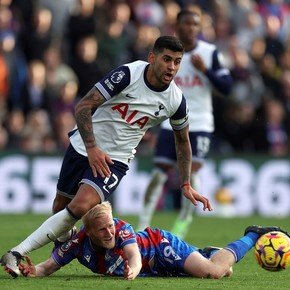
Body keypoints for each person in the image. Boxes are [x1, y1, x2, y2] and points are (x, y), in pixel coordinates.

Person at [0, 35, 212, 278]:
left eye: (177, 62)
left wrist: (185, 182)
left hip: (115, 160)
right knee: (60, 209)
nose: (172, 67)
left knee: (79, 207)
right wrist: (92, 148)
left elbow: (183, 141)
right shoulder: (127, 75)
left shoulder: (175, 100)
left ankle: (16, 252)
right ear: (152, 57)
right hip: (83, 146)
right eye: (166, 59)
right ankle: (63, 252)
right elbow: (83, 107)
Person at [5, 201, 289, 279]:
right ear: (88, 232)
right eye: (102, 230)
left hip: (159, 248)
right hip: (155, 268)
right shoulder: (78, 243)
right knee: (224, 269)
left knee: (215, 272)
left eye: (110, 226)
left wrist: (134, 269)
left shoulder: (123, 230)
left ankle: (253, 233)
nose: (110, 232)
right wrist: (31, 272)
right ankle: (204, 252)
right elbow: (47, 267)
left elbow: (134, 256)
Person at [137, 9, 233, 238]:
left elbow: (227, 87)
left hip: (199, 123)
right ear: (177, 25)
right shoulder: (165, 54)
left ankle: (184, 221)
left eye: (196, 24)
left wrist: (206, 71)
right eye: (187, 23)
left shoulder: (209, 53)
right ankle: (142, 225)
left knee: (190, 171)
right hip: (169, 123)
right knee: (159, 174)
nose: (191, 28)